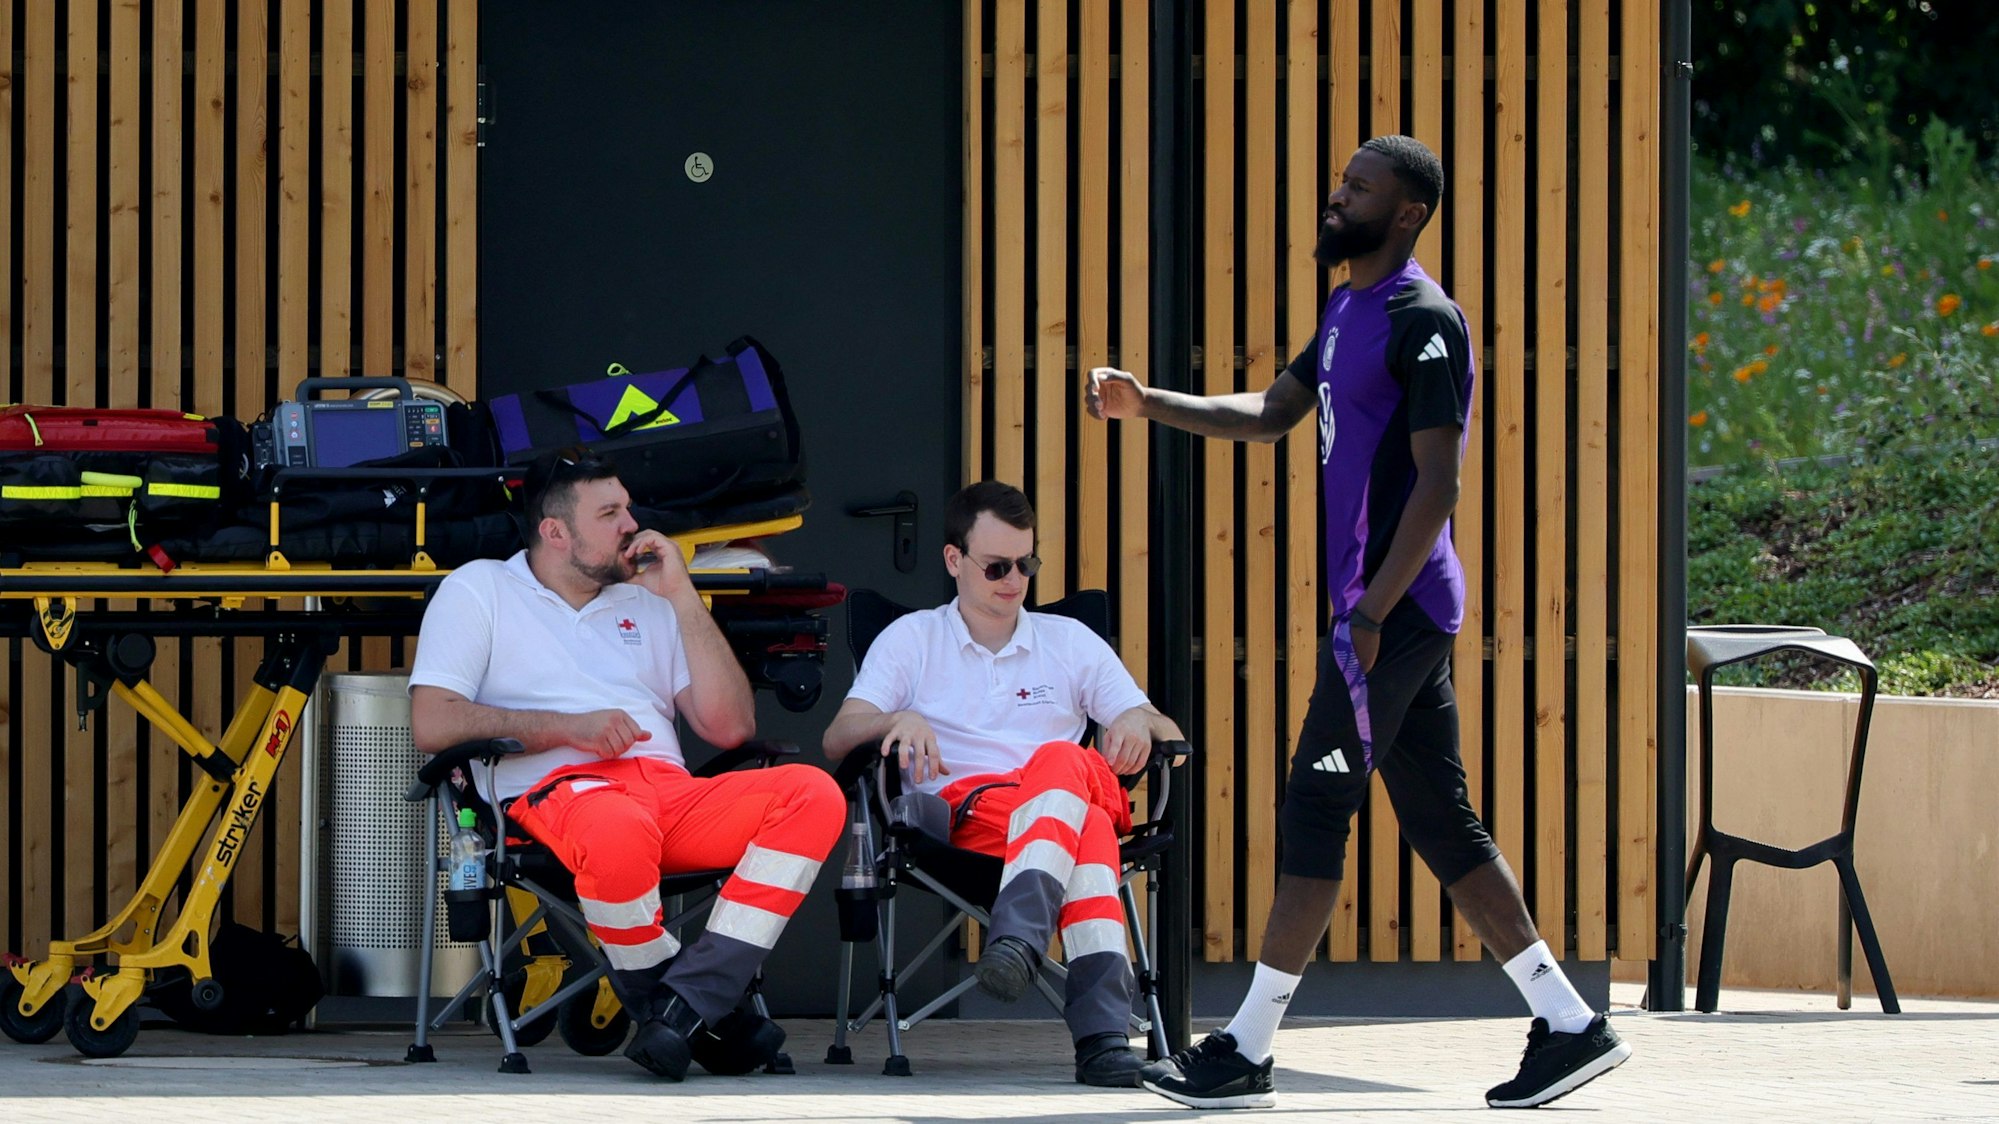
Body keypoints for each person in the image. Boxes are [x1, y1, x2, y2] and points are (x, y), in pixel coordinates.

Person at [1086, 135, 1630, 1110]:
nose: (1337, 198)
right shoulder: (1346, 308)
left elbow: (1438, 483)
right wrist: (1148, 402)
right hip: (1378, 613)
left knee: (1312, 805)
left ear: (1408, 212)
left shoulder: (1426, 321)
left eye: (1359, 189)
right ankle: (1569, 1021)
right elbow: (1270, 412)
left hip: (1397, 610)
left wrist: (1372, 610)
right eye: (1341, 183)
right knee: (1439, 819)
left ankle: (1245, 1048)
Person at [407, 448, 843, 1082]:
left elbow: (730, 728)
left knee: (813, 792)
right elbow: (433, 722)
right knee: (616, 826)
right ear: (555, 531)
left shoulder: (651, 599)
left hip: (668, 793)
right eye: (609, 513)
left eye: (628, 510)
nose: (632, 526)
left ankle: (687, 1005)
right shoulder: (480, 588)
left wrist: (682, 596)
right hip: (559, 794)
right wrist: (568, 729)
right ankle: (696, 1009)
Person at [821, 481, 1186, 1088]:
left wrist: (1135, 719)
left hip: (1050, 810)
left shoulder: (1068, 640)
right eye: (996, 566)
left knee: (1061, 765)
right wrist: (895, 719)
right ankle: (1102, 1039)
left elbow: (1168, 733)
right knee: (1088, 821)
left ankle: (1017, 937)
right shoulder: (913, 638)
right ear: (953, 559)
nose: (1014, 580)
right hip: (968, 816)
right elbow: (839, 736)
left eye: (1026, 564)